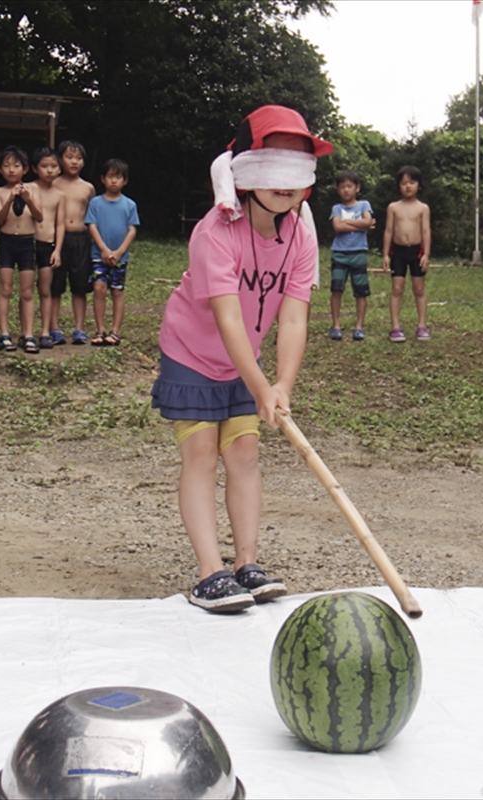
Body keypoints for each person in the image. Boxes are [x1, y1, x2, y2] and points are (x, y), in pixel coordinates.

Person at [152, 105, 333, 613]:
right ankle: (210, 573)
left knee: (245, 456)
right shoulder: (215, 233)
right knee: (202, 456)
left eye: (296, 170)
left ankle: (246, 564)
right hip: (191, 354)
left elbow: (295, 317)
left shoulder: (300, 235)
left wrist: (282, 385)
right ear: (246, 171)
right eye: (273, 165)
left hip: (243, 361)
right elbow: (228, 319)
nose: (285, 183)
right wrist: (259, 384)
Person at [0, 145, 43, 354]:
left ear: (25, 169)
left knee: (27, 291)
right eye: (6, 166)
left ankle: (28, 334)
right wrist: (10, 198)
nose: (11, 169)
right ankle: (4, 334)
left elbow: (39, 217)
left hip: (27, 243)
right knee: (5, 289)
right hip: (7, 242)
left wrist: (27, 199)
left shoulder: (34, 189)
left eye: (16, 165)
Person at [85, 158, 140, 346]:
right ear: (102, 179)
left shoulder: (129, 205)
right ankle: (100, 329)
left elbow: (132, 230)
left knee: (117, 291)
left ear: (125, 180)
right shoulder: (95, 203)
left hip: (120, 257)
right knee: (99, 289)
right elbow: (91, 226)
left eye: (118, 177)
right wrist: (104, 249)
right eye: (110, 177)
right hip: (98, 255)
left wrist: (118, 252)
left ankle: (116, 331)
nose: (113, 181)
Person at [51, 140, 95, 345]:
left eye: (78, 158)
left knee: (79, 286)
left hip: (81, 239)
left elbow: (92, 216)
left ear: (84, 162)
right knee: (55, 286)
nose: (74, 161)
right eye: (69, 157)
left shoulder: (88, 188)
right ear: (60, 159)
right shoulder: (53, 183)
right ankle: (53, 328)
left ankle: (79, 328)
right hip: (57, 239)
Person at [382, 165, 431, 342]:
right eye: (403, 183)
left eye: (412, 182)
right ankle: (395, 327)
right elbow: (388, 231)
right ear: (398, 186)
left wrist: (426, 254)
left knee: (419, 289)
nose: (408, 186)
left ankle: (422, 325)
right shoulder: (393, 207)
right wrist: (385, 254)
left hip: (417, 252)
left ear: (419, 185)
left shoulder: (422, 208)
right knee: (397, 289)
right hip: (398, 252)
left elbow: (426, 232)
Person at [329, 170, 374, 341]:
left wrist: (346, 222)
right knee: (336, 289)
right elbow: (337, 227)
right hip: (339, 253)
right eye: (342, 187)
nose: (346, 190)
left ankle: (359, 327)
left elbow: (368, 221)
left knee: (361, 291)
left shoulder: (364, 205)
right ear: (338, 190)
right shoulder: (336, 208)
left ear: (357, 188)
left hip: (359, 252)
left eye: (349, 186)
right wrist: (361, 225)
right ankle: (336, 325)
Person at [31, 146, 66, 349]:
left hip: (48, 245)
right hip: (28, 243)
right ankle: (27, 332)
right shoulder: (27, 188)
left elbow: (60, 224)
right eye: (44, 166)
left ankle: (45, 331)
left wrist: (57, 249)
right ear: (35, 169)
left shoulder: (59, 195)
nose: (50, 170)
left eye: (54, 166)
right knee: (26, 290)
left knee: (45, 289)